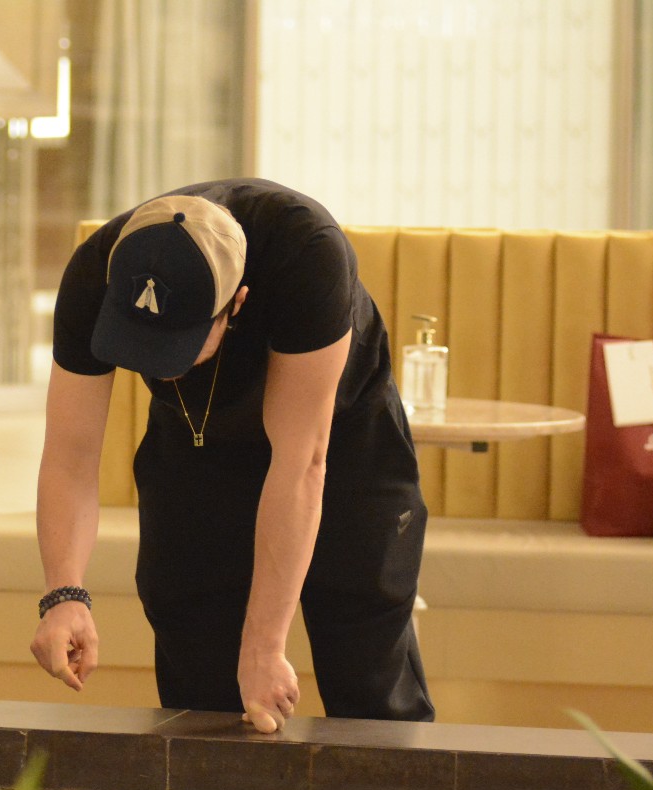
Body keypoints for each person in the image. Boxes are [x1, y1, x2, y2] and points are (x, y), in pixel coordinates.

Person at [32, 178, 434, 731]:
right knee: (194, 649)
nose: (156, 362)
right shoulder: (93, 272)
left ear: (236, 302)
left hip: (340, 443)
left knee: (365, 654)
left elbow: (301, 463)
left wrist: (265, 646)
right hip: (194, 441)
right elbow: (70, 456)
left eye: (176, 344)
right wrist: (63, 594)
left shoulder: (307, 253)